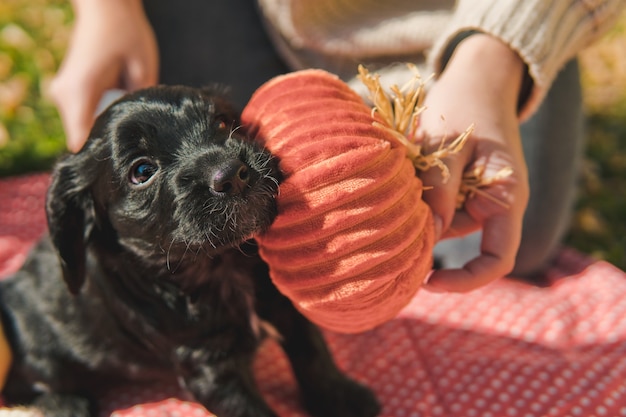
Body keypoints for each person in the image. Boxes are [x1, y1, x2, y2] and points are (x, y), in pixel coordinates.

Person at [50, 0, 625, 293]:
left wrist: (495, 58)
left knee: (492, 239)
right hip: (239, 14)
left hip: (450, 22)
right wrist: (110, 10)